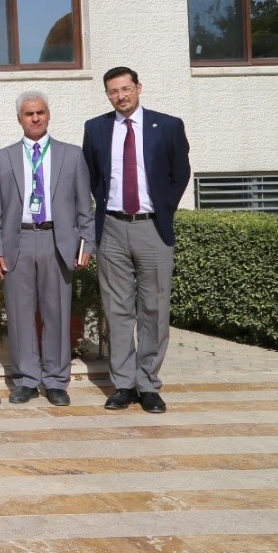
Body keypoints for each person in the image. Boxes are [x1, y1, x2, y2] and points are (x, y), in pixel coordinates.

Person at [82, 67, 191, 414]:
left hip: (151, 227)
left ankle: (148, 384)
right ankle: (124, 384)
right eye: (113, 92)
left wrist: (163, 208)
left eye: (126, 89)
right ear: (107, 95)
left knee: (154, 308)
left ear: (139, 88)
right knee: (117, 310)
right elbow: (92, 176)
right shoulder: (96, 128)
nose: (121, 96)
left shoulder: (168, 126)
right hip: (112, 228)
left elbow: (180, 173)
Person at [0, 92, 94, 406]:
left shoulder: (72, 155)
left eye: (40, 112)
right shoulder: (3, 158)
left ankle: (56, 380)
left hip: (57, 241)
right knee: (19, 314)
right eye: (28, 113)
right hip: (17, 241)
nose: (35, 118)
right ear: (19, 118)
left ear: (48, 115)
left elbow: (84, 207)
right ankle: (26, 379)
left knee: (57, 312)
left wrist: (86, 244)